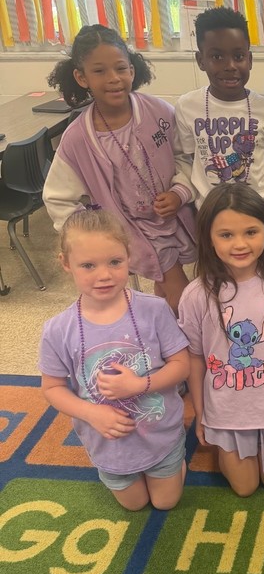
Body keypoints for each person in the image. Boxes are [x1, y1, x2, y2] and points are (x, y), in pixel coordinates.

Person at [39, 209, 190, 510]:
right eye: (88, 265)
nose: (104, 275)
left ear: (128, 256)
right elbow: (52, 388)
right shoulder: (57, 330)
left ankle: (173, 463)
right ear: (66, 264)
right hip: (108, 442)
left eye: (115, 262)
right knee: (133, 504)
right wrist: (92, 414)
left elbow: (182, 365)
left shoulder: (155, 309)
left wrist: (139, 384)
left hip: (160, 433)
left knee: (165, 502)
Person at [44, 24, 196, 313]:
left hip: (175, 216)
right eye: (100, 71)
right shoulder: (78, 139)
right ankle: (190, 348)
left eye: (120, 68)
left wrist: (179, 191)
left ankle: (163, 334)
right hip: (131, 230)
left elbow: (186, 157)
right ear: (81, 77)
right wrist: (93, 235)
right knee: (181, 292)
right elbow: (58, 198)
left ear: (132, 70)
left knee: (166, 285)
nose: (113, 79)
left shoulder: (160, 112)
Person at [178, 185, 264, 497]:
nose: (240, 244)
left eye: (250, 232)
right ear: (207, 237)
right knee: (245, 489)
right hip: (228, 410)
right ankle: (232, 448)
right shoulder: (197, 294)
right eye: (226, 235)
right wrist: (201, 413)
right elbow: (194, 357)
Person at [173, 6, 264, 253]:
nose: (230, 65)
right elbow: (189, 161)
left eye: (238, 56)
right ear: (201, 60)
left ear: (250, 59)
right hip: (212, 215)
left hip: (262, 210)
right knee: (217, 283)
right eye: (217, 57)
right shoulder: (186, 106)